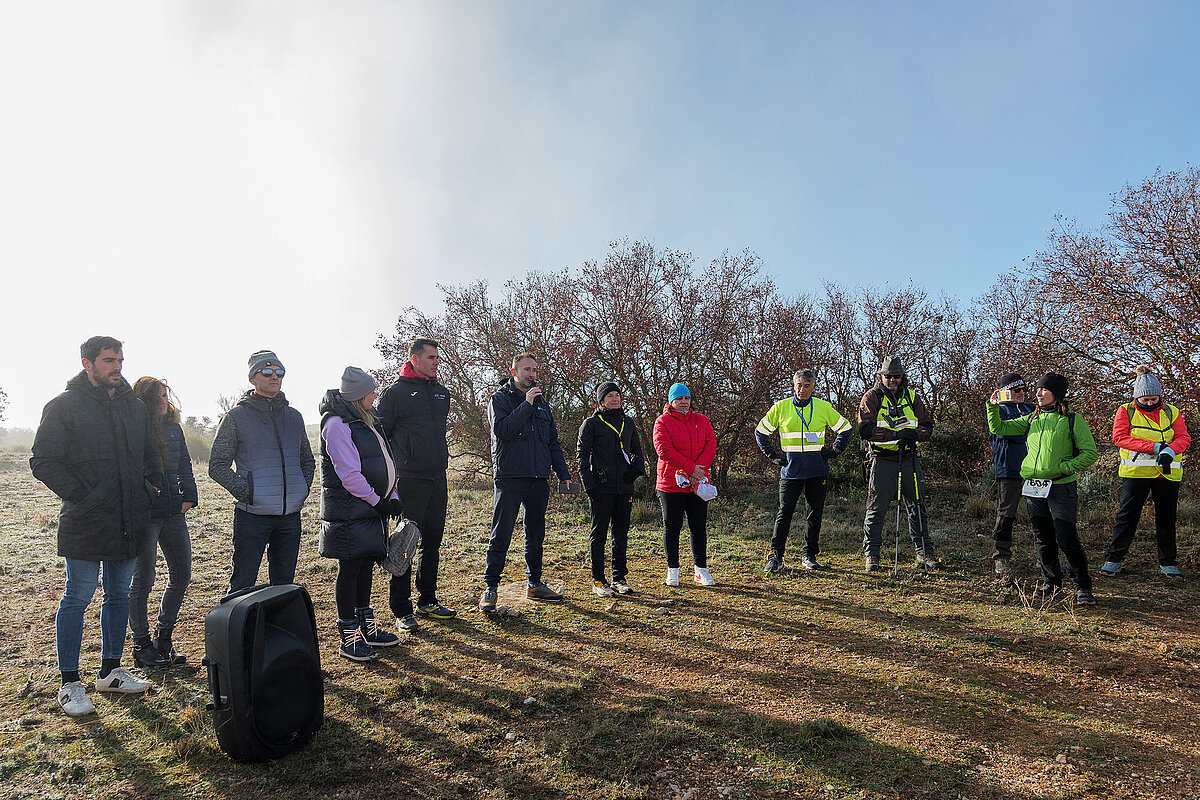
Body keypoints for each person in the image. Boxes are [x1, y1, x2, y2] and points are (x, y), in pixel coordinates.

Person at [31, 336, 160, 716]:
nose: (116, 366)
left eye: (119, 359)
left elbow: (150, 452)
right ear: (87, 364)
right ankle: (70, 683)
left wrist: (150, 485)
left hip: (129, 519)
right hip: (86, 521)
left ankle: (110, 671)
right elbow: (43, 461)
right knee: (77, 597)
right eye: (108, 360)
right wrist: (83, 497)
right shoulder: (63, 407)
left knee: (119, 595)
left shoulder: (134, 407)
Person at [987, 372, 1099, 606]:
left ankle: (1082, 586)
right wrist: (992, 406)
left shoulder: (1072, 420)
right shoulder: (1031, 419)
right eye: (1037, 389)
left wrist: (1064, 468)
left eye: (1043, 390)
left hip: (1060, 486)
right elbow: (998, 428)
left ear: (1056, 394)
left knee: (1066, 537)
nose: (1037, 393)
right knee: (1043, 538)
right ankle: (1051, 583)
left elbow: (1090, 453)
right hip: (1034, 487)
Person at [209, 350, 315, 592]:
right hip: (253, 517)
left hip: (289, 517)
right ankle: (238, 630)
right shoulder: (235, 417)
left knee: (284, 586)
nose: (274, 377)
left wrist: (301, 489)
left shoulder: (294, 417)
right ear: (252, 379)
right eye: (266, 372)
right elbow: (217, 465)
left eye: (279, 372)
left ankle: (274, 629)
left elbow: (307, 460)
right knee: (242, 584)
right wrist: (249, 493)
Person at [318, 367, 402, 662]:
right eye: (371, 391)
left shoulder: (368, 420)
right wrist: (378, 501)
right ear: (357, 395)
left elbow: (386, 461)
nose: (375, 395)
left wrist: (392, 496)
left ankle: (366, 625)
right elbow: (349, 474)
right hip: (350, 509)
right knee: (351, 568)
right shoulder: (337, 424)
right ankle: (348, 634)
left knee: (365, 565)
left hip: (371, 507)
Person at [479, 354, 574, 612]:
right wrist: (527, 403)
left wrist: (563, 474)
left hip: (538, 479)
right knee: (501, 533)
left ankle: (535, 584)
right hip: (510, 477)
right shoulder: (500, 399)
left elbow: (552, 442)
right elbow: (503, 430)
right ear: (514, 371)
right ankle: (491, 587)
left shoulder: (543, 404)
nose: (531, 374)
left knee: (535, 534)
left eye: (534, 370)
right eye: (526, 370)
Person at [377, 338, 455, 632]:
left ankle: (428, 600)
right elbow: (381, 435)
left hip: (438, 478)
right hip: (409, 480)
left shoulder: (441, 394)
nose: (437, 361)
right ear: (414, 358)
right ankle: (401, 609)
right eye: (432, 357)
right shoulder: (395, 393)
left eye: (438, 357)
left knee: (432, 541)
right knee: (406, 542)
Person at [128, 377, 197, 668]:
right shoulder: (133, 428)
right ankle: (141, 645)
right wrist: (145, 496)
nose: (163, 401)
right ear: (143, 400)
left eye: (165, 395)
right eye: (157, 397)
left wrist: (189, 496)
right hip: (145, 515)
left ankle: (164, 638)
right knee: (143, 581)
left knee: (181, 573)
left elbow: (185, 465)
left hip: (173, 512)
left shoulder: (174, 428)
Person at [756, 369, 853, 572]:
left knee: (814, 513)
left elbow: (846, 428)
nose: (802, 389)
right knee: (784, 513)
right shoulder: (781, 407)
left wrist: (836, 450)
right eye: (799, 385)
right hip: (791, 471)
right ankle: (775, 557)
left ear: (813, 387)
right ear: (794, 385)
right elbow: (761, 431)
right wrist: (772, 455)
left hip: (817, 471)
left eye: (807, 386)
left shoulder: (823, 407)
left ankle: (810, 555)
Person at [1100, 366, 1190, 578]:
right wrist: (1155, 447)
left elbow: (1183, 438)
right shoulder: (1126, 410)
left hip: (1167, 473)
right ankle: (1114, 559)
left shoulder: (1172, 411)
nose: (1150, 403)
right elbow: (1120, 438)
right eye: (1145, 400)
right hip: (1135, 473)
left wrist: (1170, 449)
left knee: (1166, 518)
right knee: (1127, 517)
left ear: (1160, 395)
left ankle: (1168, 562)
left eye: (1153, 399)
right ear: (1136, 398)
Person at [858, 357, 939, 571]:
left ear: (903, 377)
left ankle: (924, 553)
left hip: (910, 460)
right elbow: (865, 429)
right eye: (888, 376)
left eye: (896, 376)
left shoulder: (913, 397)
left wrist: (916, 434)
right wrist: (894, 434)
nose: (892, 379)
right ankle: (872, 554)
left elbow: (928, 427)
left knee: (917, 506)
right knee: (876, 508)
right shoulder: (871, 397)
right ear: (881, 376)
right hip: (883, 460)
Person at [577, 381, 646, 596]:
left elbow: (637, 452)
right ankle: (599, 580)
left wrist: (634, 472)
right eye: (610, 396)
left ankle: (619, 578)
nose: (615, 399)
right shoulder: (591, 424)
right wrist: (589, 485)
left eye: (617, 395)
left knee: (621, 534)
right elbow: (581, 457)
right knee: (599, 535)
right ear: (601, 400)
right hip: (601, 489)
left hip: (624, 488)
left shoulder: (628, 422)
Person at [653, 383, 718, 586]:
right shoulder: (662, 422)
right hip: (671, 484)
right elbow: (664, 449)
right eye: (679, 398)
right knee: (672, 527)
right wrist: (690, 469)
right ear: (671, 401)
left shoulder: (702, 420)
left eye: (687, 398)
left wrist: (699, 470)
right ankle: (672, 570)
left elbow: (711, 444)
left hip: (697, 483)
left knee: (698, 526)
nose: (684, 402)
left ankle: (701, 570)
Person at [988, 373, 1036, 578]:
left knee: (1041, 514)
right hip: (1009, 468)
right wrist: (1028, 428)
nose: (1022, 393)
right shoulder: (997, 411)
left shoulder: (1033, 408)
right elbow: (1009, 433)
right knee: (1006, 514)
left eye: (1024, 389)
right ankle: (1001, 556)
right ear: (1004, 392)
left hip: (1036, 468)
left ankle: (1044, 557)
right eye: (1017, 390)